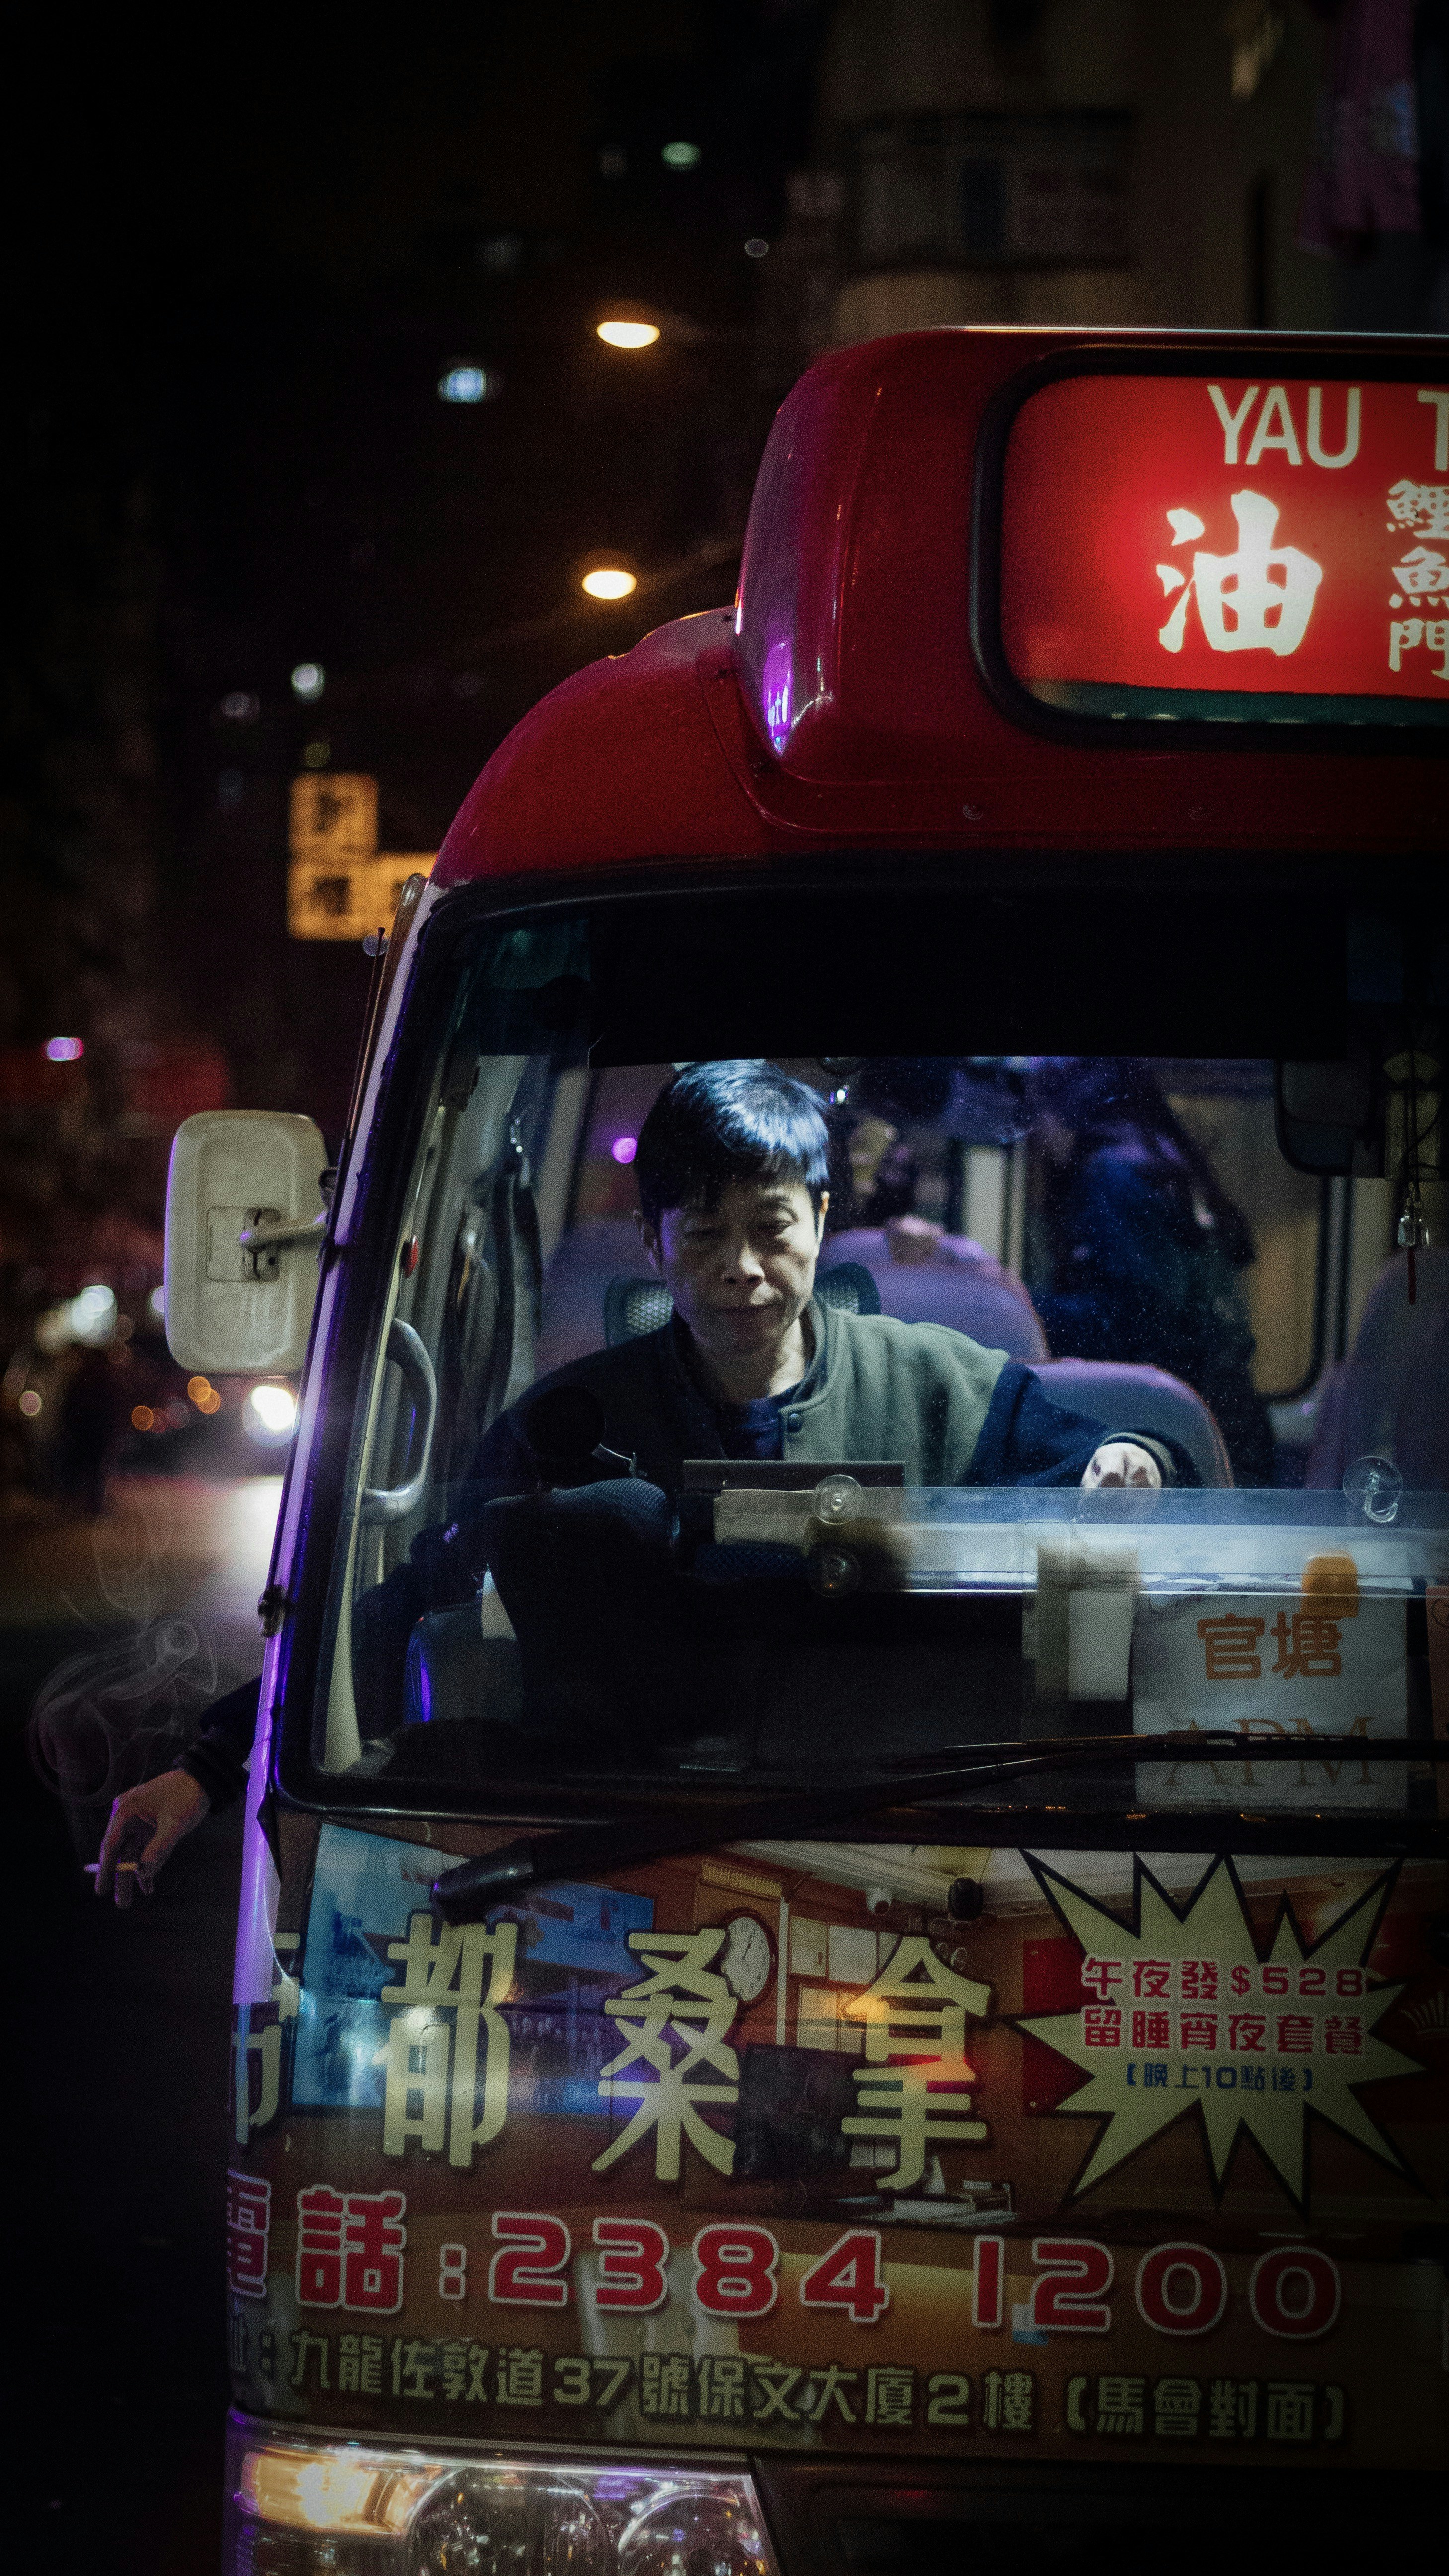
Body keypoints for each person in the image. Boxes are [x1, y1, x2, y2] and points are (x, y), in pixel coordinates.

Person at [94, 1061, 1190, 1899]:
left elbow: (1132, 1477)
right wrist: (211, 1762)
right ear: (653, 1240)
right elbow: (399, 1603)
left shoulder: (950, 1385)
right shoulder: (574, 1424)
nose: (742, 1268)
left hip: (921, 1852)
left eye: (771, 1228)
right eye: (705, 1232)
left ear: (822, 1216)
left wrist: (1131, 1461)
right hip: (637, 1857)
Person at [1027, 1058, 1276, 1485]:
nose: (1036, 1132)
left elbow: (1131, 1320)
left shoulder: (1113, 1176)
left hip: (1173, 1428)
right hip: (1226, 1416)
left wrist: (1019, 1304)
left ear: (1068, 1110)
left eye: (1039, 1112)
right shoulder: (1161, 1163)